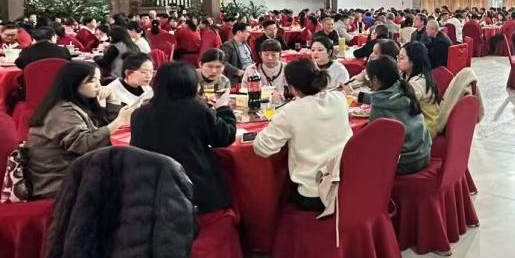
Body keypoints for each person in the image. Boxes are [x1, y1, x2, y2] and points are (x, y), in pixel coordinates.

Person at [129, 61, 237, 215]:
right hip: (194, 187)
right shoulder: (197, 110)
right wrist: (223, 108)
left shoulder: (139, 114)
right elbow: (225, 137)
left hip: (151, 187)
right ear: (191, 84)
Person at [253, 58, 352, 213]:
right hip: (345, 181)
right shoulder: (339, 98)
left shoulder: (290, 111)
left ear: (292, 87)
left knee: (279, 191)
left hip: (314, 192)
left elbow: (262, 148)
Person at [26, 60, 134, 200]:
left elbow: (102, 129)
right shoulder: (62, 111)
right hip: (58, 181)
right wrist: (119, 121)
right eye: (92, 81)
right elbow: (84, 144)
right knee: (132, 180)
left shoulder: (79, 104)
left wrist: (112, 101)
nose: (98, 85)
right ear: (74, 83)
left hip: (79, 170)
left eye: (99, 80)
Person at [361, 56, 431, 174]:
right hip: (423, 154)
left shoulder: (379, 108)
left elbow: (374, 142)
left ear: (375, 79)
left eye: (369, 79)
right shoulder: (405, 89)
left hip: (405, 163)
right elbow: (380, 98)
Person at [399, 41, 442, 135]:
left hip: (426, 129)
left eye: (401, 58)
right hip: (424, 122)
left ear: (412, 62)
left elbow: (402, 104)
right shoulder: (420, 76)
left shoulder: (418, 83)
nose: (398, 61)